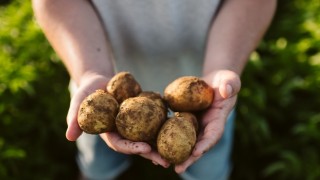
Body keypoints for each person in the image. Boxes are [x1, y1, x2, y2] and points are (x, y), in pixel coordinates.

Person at [32, 0, 277, 179]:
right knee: (96, 161)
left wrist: (222, 64)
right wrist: (89, 70)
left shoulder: (204, 100)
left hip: (213, 91)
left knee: (208, 163)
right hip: (101, 80)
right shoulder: (107, 98)